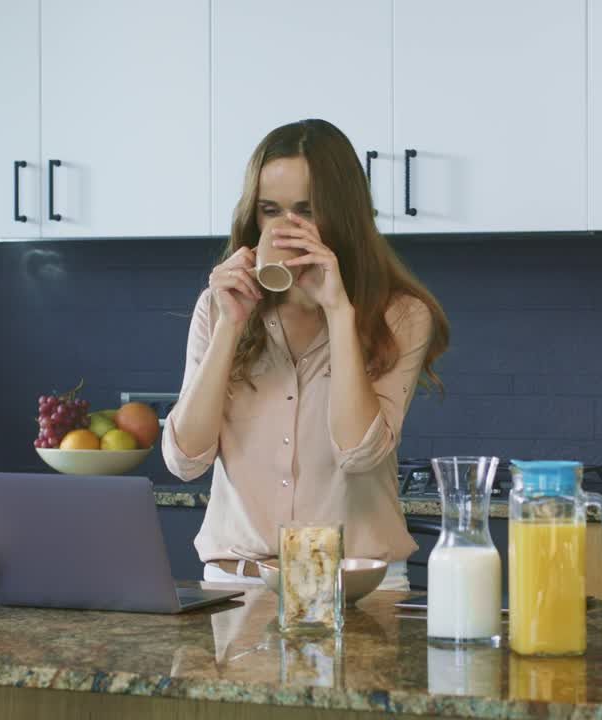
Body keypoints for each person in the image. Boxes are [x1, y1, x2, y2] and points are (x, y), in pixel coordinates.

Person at [163, 119, 449, 591]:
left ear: (341, 215)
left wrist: (338, 310)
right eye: (269, 211)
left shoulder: (400, 316)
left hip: (354, 589)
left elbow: (358, 453)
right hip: (238, 585)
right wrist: (229, 326)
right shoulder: (218, 308)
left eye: (305, 212)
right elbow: (185, 461)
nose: (283, 229)